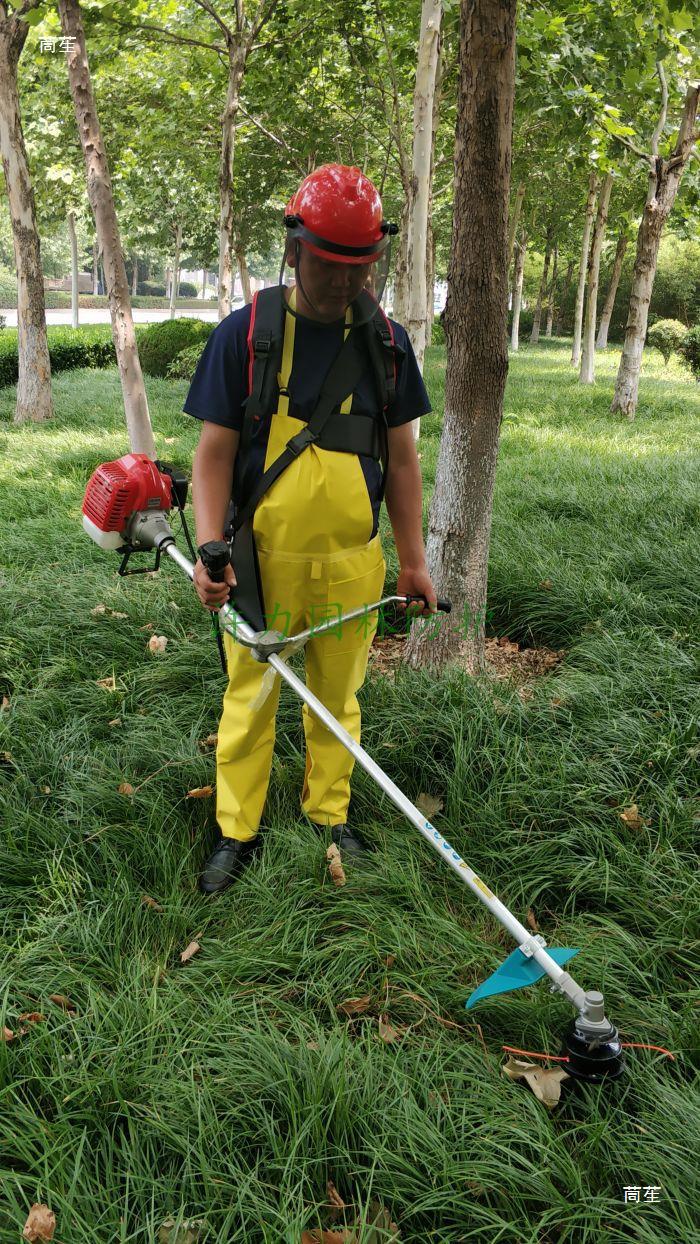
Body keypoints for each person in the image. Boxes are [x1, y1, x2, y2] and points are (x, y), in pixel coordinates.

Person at [183, 164, 436, 896]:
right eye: (328, 262)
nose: (341, 280)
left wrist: (413, 561)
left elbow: (404, 459)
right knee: (250, 697)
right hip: (261, 565)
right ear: (294, 248)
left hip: (354, 566)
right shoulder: (249, 335)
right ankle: (238, 829)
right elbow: (214, 456)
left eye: (358, 266)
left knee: (339, 698)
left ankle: (330, 814)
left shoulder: (388, 346)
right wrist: (209, 549)